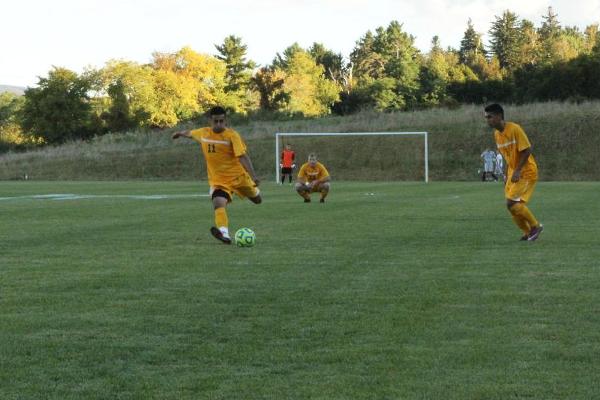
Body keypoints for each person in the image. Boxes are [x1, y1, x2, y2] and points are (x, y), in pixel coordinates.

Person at [172, 106, 261, 244]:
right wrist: (179, 133)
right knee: (218, 202)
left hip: (239, 178)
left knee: (257, 200)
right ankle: (224, 234)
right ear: (210, 120)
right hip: (219, 181)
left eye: (221, 121)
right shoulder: (203, 133)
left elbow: (243, 156)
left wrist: (253, 176)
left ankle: (253, 191)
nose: (218, 124)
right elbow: (190, 133)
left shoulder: (232, 136)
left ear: (226, 120)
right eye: (215, 121)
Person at [484, 103, 543, 241]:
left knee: (511, 202)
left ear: (499, 116)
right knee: (512, 206)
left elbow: (527, 150)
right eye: (486, 117)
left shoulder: (515, 129)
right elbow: (508, 156)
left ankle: (535, 226)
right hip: (513, 172)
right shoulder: (497, 134)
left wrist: (517, 171)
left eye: (489, 117)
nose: (487, 120)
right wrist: (507, 173)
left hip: (526, 171)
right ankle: (528, 232)